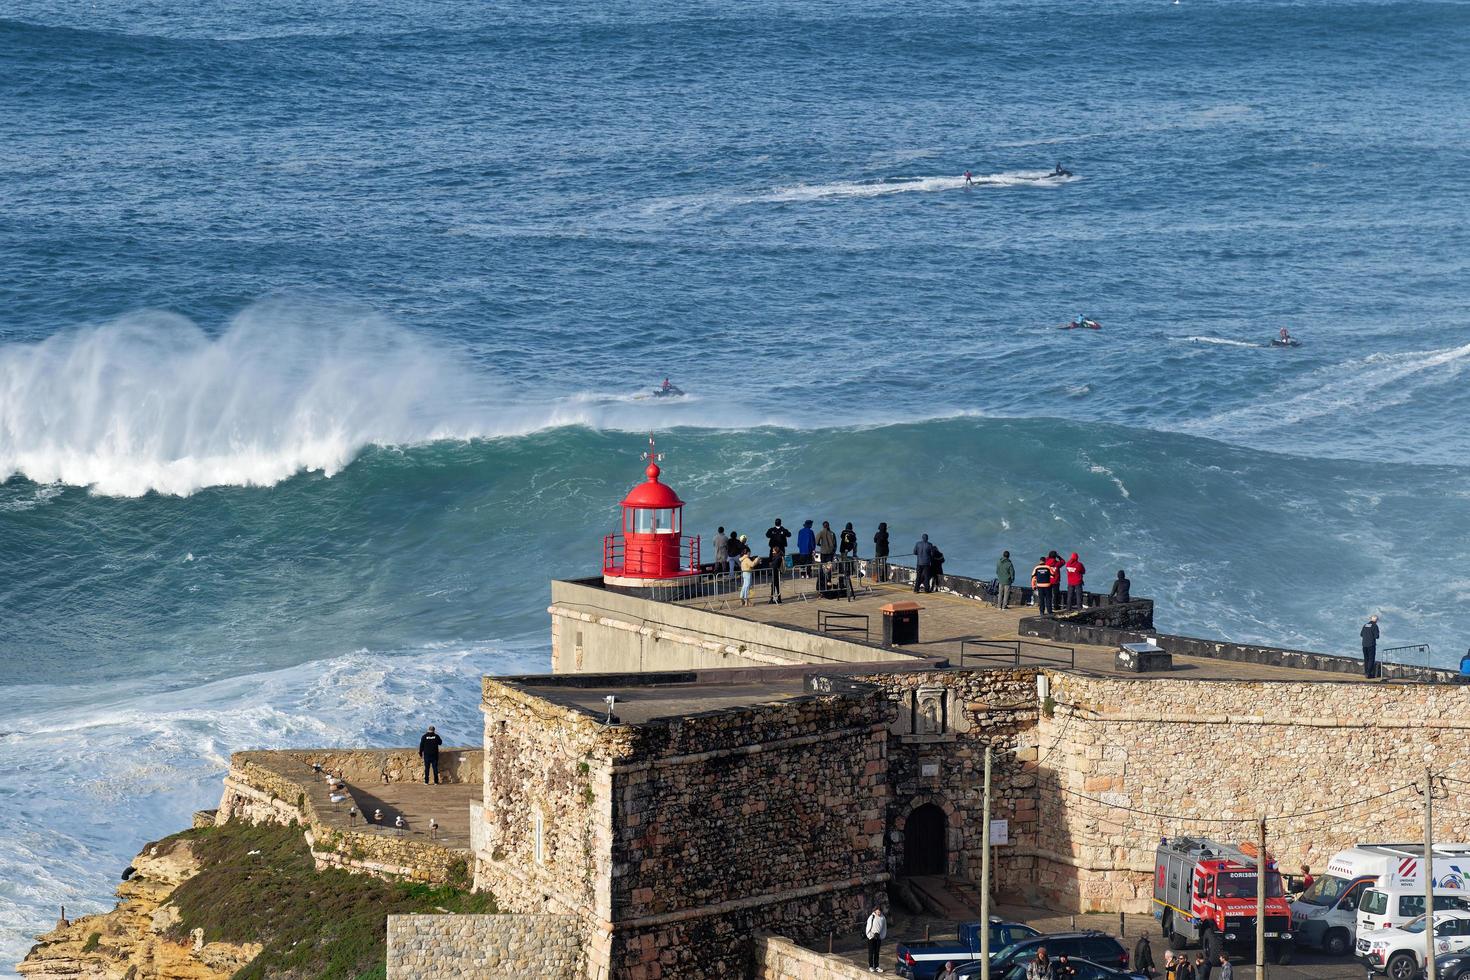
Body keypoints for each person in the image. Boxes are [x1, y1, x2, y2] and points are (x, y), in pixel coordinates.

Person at [864, 905, 887, 973]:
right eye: (878, 911)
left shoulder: (883, 918)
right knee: (871, 952)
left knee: (877, 952)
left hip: (878, 937)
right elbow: (868, 927)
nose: (879, 913)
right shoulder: (872, 917)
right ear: (875, 910)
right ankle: (871, 966)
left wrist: (881, 936)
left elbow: (884, 928)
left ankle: (876, 966)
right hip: (871, 937)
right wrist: (870, 936)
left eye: (880, 911)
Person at [1361, 613, 1380, 679]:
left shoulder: (1365, 625)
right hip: (1371, 645)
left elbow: (1361, 634)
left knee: (1366, 659)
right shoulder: (1375, 626)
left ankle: (1366, 672)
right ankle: (1368, 674)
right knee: (1371, 659)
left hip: (1364, 644)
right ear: (1376, 620)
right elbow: (1377, 636)